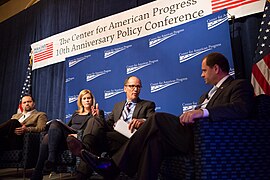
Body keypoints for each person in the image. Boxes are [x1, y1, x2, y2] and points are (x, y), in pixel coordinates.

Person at [74, 52, 255, 180]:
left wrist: (203, 112)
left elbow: (242, 109)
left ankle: (112, 166)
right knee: (155, 141)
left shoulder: (238, 85)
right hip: (190, 134)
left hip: (206, 140)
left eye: (204, 70)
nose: (201, 75)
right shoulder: (205, 95)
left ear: (216, 68)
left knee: (157, 118)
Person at [67, 76, 156, 179]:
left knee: (96, 140)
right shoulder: (118, 106)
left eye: (138, 87)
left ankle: (84, 152)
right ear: (125, 88)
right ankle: (84, 158)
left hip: (130, 139)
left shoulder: (147, 105)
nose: (135, 89)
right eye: (132, 86)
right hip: (113, 136)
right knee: (95, 120)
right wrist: (98, 117)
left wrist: (142, 121)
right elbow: (108, 124)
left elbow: (153, 121)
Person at [31, 89, 102, 180]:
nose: (87, 100)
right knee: (49, 133)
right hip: (68, 137)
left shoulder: (97, 113)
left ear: (92, 100)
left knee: (49, 134)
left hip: (78, 139)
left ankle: (41, 169)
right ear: (81, 101)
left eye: (89, 98)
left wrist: (96, 117)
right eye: (84, 98)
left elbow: (96, 130)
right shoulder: (76, 114)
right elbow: (67, 127)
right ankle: (45, 163)